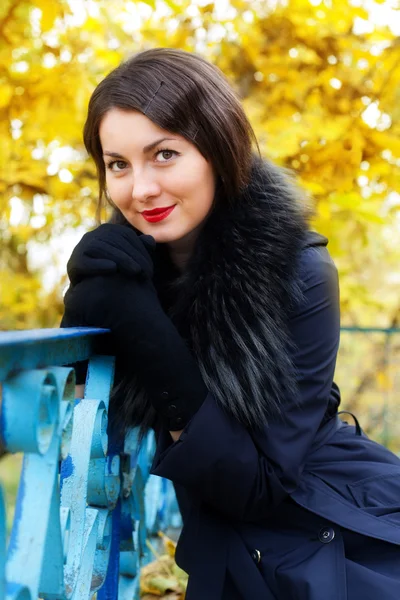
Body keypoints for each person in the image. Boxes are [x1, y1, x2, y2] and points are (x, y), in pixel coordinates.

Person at [61, 48, 400, 599]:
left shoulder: (302, 273)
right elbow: (78, 400)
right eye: (118, 164)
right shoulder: (133, 264)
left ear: (218, 151)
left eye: (164, 154)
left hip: (333, 525)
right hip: (227, 540)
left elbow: (258, 485)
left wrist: (140, 324)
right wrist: (88, 297)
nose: (139, 188)